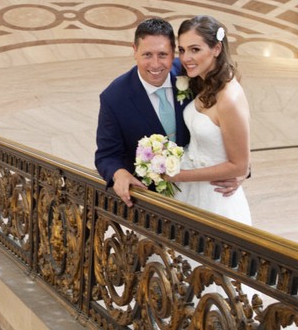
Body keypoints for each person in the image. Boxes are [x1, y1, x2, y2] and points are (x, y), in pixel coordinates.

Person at [94, 17, 242, 208]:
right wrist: (119, 173)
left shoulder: (192, 72)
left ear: (174, 53)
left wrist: (241, 170)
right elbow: (106, 155)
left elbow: (231, 117)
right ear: (135, 51)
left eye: (163, 54)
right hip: (152, 201)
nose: (155, 65)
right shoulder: (114, 98)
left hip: (203, 190)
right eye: (147, 54)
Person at [171, 15, 252, 225]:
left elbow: (239, 166)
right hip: (189, 189)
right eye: (182, 49)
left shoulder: (229, 99)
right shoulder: (204, 80)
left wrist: (178, 176)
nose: (185, 58)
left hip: (215, 197)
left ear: (216, 49)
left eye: (195, 49)